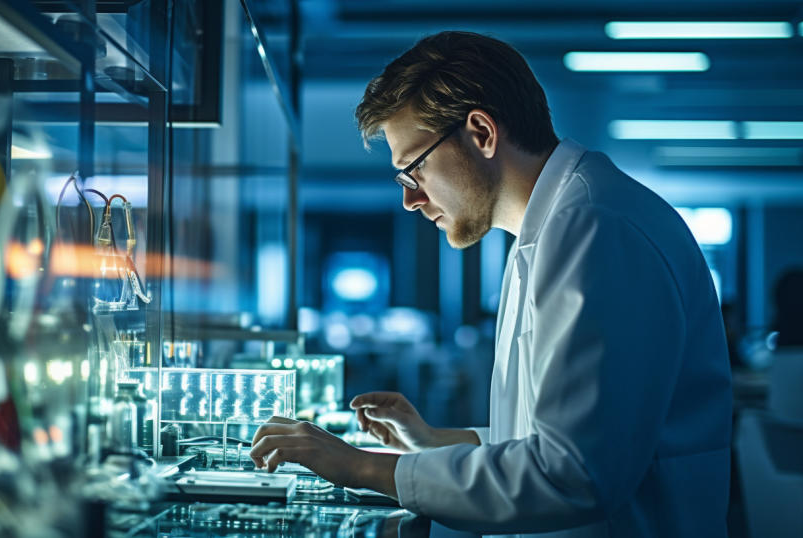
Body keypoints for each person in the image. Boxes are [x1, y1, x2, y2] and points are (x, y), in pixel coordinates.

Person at [249, 31, 732, 536]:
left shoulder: (592, 227)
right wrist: (432, 441)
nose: (410, 200)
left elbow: (574, 475)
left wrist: (361, 467)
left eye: (413, 169)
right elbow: (555, 437)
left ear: (481, 132)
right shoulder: (553, 228)